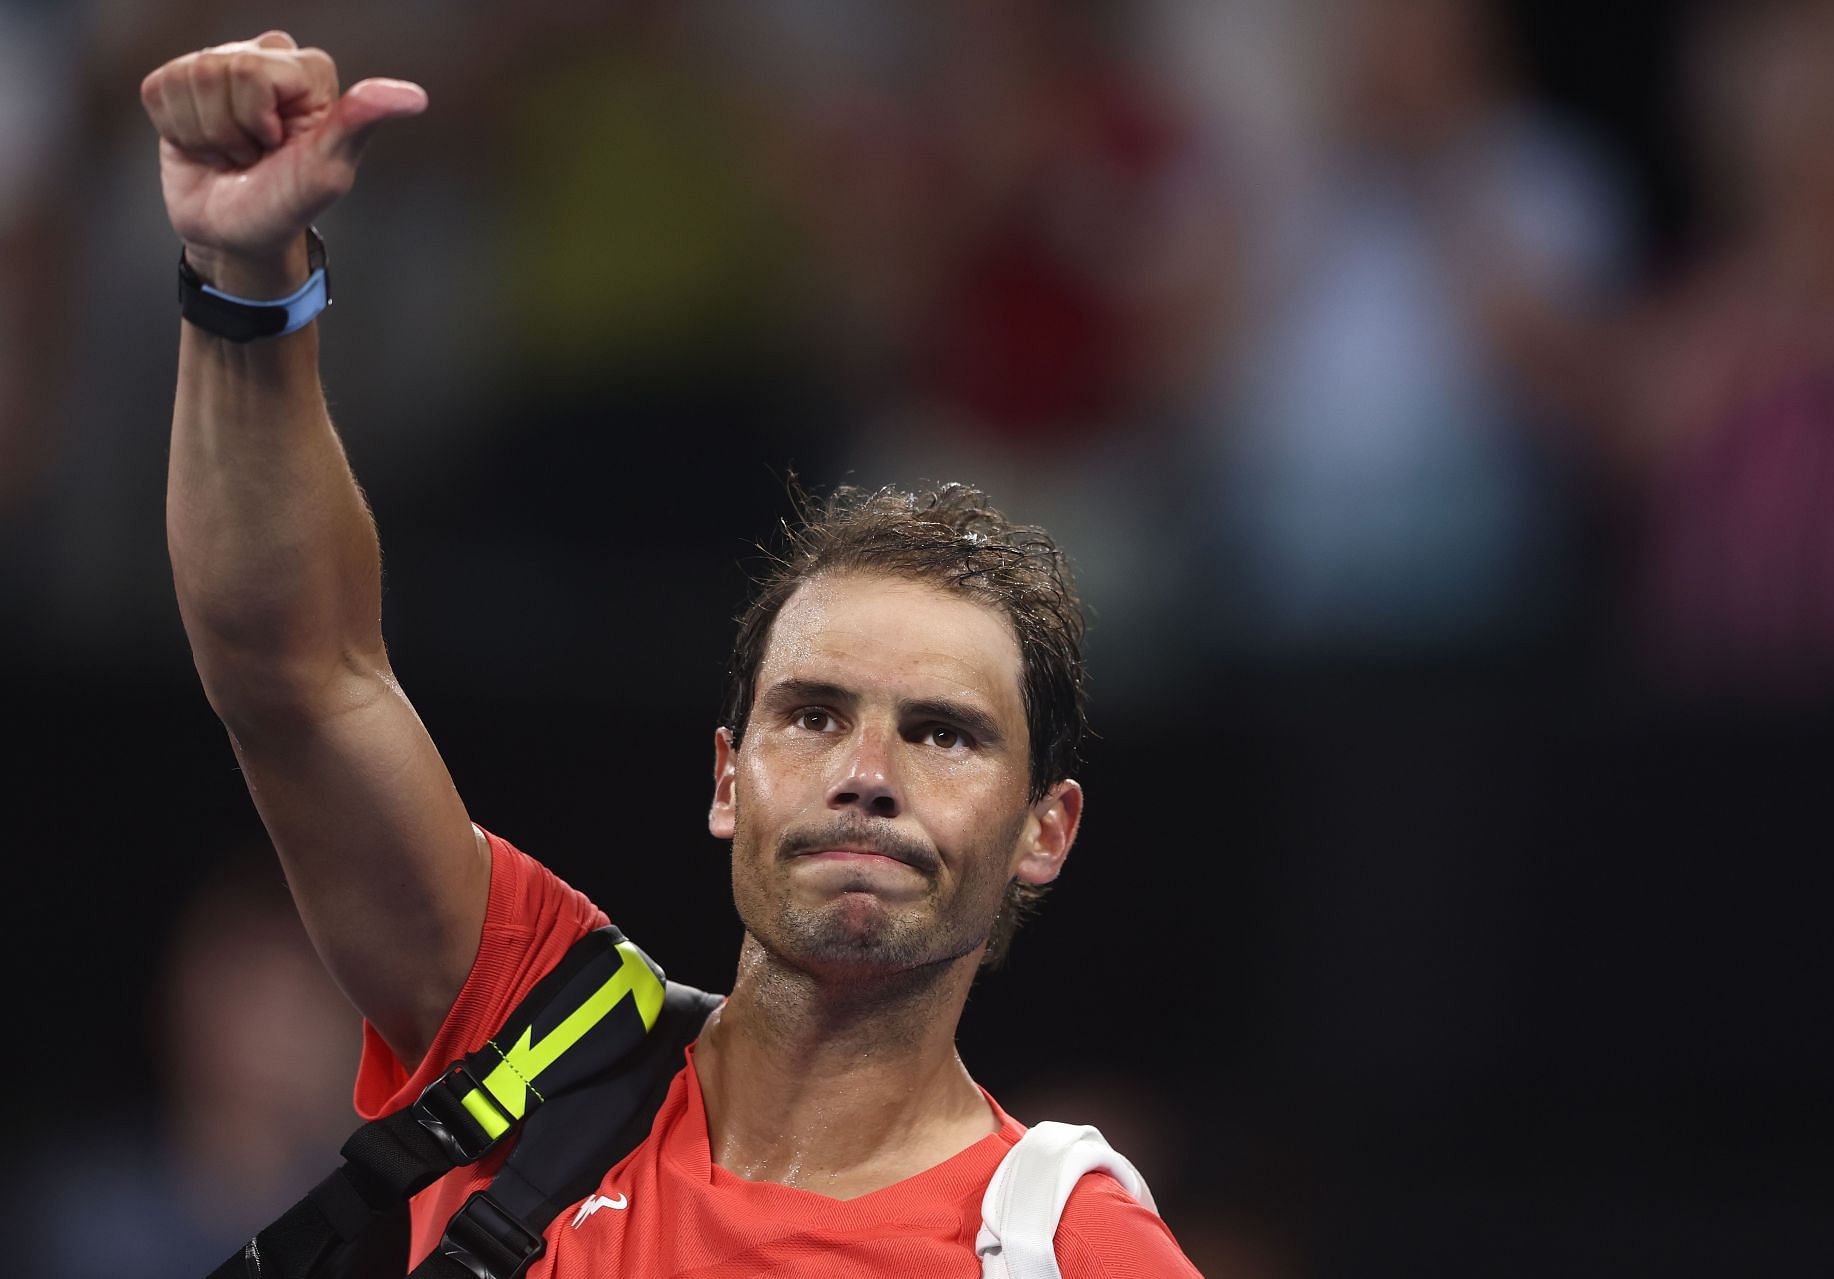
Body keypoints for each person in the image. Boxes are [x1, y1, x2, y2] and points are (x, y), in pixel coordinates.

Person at [141, 30, 1200, 1276]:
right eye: (811, 713)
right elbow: (297, 677)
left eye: (942, 731)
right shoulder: (532, 1030)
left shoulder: (1067, 1251)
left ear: (1046, 828)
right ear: (725, 775)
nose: (867, 770)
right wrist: (245, 271)